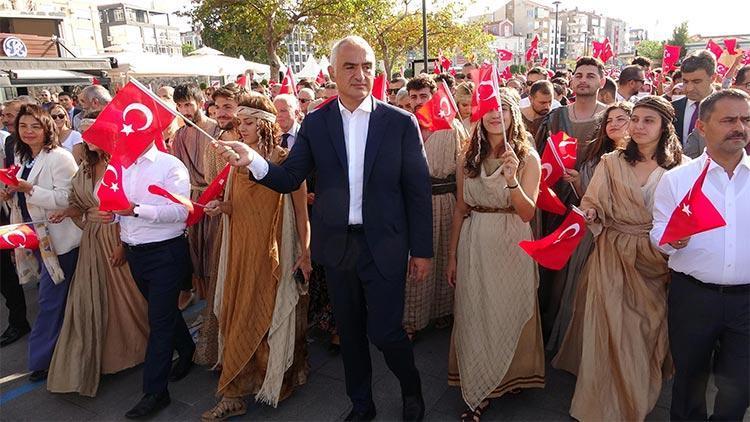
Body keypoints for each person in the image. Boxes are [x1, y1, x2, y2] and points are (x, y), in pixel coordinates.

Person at [215, 35, 431, 421]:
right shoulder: (316, 122)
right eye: (350, 66)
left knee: (385, 332)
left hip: (386, 245)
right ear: (333, 72)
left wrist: (423, 250)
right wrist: (252, 161)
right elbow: (290, 177)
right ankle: (361, 404)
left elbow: (417, 192)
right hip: (338, 247)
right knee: (349, 335)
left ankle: (411, 391)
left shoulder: (400, 122)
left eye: (366, 65)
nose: (360, 74)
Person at [554, 95, 685, 421]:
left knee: (644, 330)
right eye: (635, 119)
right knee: (609, 327)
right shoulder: (611, 162)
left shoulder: (682, 167)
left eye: (648, 120)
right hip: (612, 252)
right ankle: (599, 403)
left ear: (664, 125)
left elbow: (686, 215)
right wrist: (590, 211)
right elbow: (593, 200)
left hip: (657, 260)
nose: (639, 126)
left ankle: (635, 400)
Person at [201, 94, 312, 420]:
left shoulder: (287, 160)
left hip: (276, 253)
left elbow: (301, 213)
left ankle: (276, 381)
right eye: (240, 123)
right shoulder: (236, 162)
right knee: (239, 318)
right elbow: (236, 206)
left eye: (249, 122)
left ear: (264, 123)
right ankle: (233, 394)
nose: (242, 128)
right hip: (241, 253)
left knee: (272, 319)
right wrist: (220, 207)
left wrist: (305, 253)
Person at [651, 89, 750, 421]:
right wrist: (672, 241)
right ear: (702, 127)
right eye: (729, 120)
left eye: (745, 119)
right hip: (694, 297)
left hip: (746, 302)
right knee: (690, 382)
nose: (740, 127)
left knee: (741, 385)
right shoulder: (679, 180)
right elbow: (659, 232)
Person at [446, 90, 543, 421]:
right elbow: (460, 208)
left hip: (512, 240)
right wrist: (452, 256)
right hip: (474, 239)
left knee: (508, 307)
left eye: (501, 107)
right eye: (488, 107)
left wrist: (512, 180)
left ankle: (510, 375)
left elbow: (528, 214)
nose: (494, 113)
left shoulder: (527, 158)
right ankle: (478, 388)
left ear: (513, 114)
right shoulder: (466, 157)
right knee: (475, 309)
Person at [46, 116, 149, 397]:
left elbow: (133, 207)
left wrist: (123, 246)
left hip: (119, 237)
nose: (84, 139)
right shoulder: (86, 168)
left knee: (128, 299)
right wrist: (66, 212)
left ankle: (135, 351)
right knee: (88, 301)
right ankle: (93, 360)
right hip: (92, 241)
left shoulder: (124, 167)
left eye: (90, 134)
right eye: (82, 134)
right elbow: (78, 203)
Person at [113, 141, 195, 419]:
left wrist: (136, 209)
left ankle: (156, 391)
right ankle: (186, 349)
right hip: (135, 253)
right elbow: (114, 206)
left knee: (158, 321)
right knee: (164, 312)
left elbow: (181, 212)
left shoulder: (171, 166)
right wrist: (110, 215)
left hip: (165, 253)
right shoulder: (120, 166)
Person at [2, 104, 81, 380]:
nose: (28, 131)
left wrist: (29, 189)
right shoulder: (26, 158)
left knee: (50, 300)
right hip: (35, 237)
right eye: (23, 126)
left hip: (60, 241)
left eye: (35, 126)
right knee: (57, 300)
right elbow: (25, 194)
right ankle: (59, 354)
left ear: (48, 128)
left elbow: (67, 199)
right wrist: (12, 193)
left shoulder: (60, 157)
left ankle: (42, 360)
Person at [545, 102, 632, 353]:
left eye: (621, 119)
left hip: (625, 239)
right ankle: (579, 350)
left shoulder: (642, 159)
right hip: (592, 235)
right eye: (609, 120)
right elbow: (588, 199)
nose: (613, 124)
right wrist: (578, 182)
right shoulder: (598, 156)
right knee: (582, 293)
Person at [534, 56, 607, 337]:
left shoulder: (612, 118)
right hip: (555, 203)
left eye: (590, 75)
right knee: (550, 267)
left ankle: (574, 338)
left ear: (601, 80)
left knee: (581, 274)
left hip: (592, 207)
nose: (584, 80)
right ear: (572, 80)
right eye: (579, 75)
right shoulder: (555, 117)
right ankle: (544, 330)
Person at [404, 75, 465, 339]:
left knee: (444, 255)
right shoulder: (405, 126)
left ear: (434, 96)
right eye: (414, 97)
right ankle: (411, 321)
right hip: (413, 203)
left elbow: (463, 169)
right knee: (414, 262)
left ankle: (443, 312)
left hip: (446, 201)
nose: (418, 102)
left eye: (423, 96)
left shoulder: (453, 127)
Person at [171, 83, 222, 303]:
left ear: (200, 103)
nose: (185, 111)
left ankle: (217, 300)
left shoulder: (216, 130)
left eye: (188, 104)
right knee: (196, 251)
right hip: (192, 198)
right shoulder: (180, 135)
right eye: (180, 106)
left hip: (215, 198)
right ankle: (202, 298)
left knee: (214, 249)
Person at [0, 98, 35, 349]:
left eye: (10, 115)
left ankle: (19, 320)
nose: (5, 119)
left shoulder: (5, 141)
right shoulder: (11, 141)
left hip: (31, 213)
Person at [674, 50, 716, 151]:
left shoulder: (729, 109)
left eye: (696, 81)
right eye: (685, 81)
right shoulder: (672, 108)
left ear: (713, 78)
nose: (689, 88)